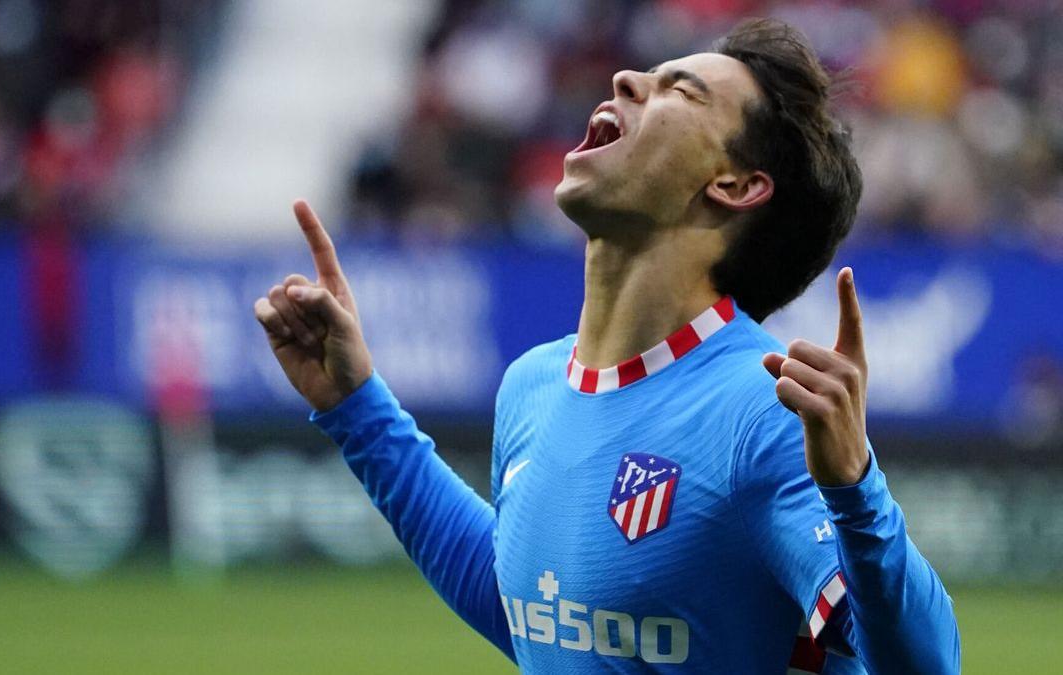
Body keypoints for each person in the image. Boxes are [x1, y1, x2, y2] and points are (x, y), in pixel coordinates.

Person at [253, 18, 960, 674]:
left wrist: (856, 488)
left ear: (737, 184)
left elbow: (927, 665)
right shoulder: (532, 384)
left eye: (678, 89)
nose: (626, 80)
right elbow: (537, 612)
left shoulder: (762, 410)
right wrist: (356, 407)